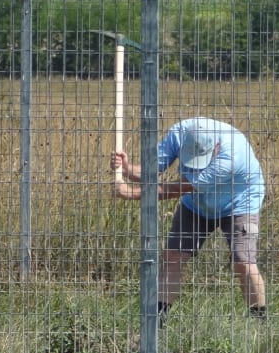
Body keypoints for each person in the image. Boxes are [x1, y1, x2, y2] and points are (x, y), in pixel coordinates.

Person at [110, 117, 266, 324]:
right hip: (196, 203)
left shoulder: (231, 158)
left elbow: (177, 188)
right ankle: (156, 325)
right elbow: (152, 169)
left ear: (216, 148)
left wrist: (130, 193)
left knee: (243, 262)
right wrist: (128, 169)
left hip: (239, 202)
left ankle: (259, 323)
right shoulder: (179, 133)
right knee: (172, 257)